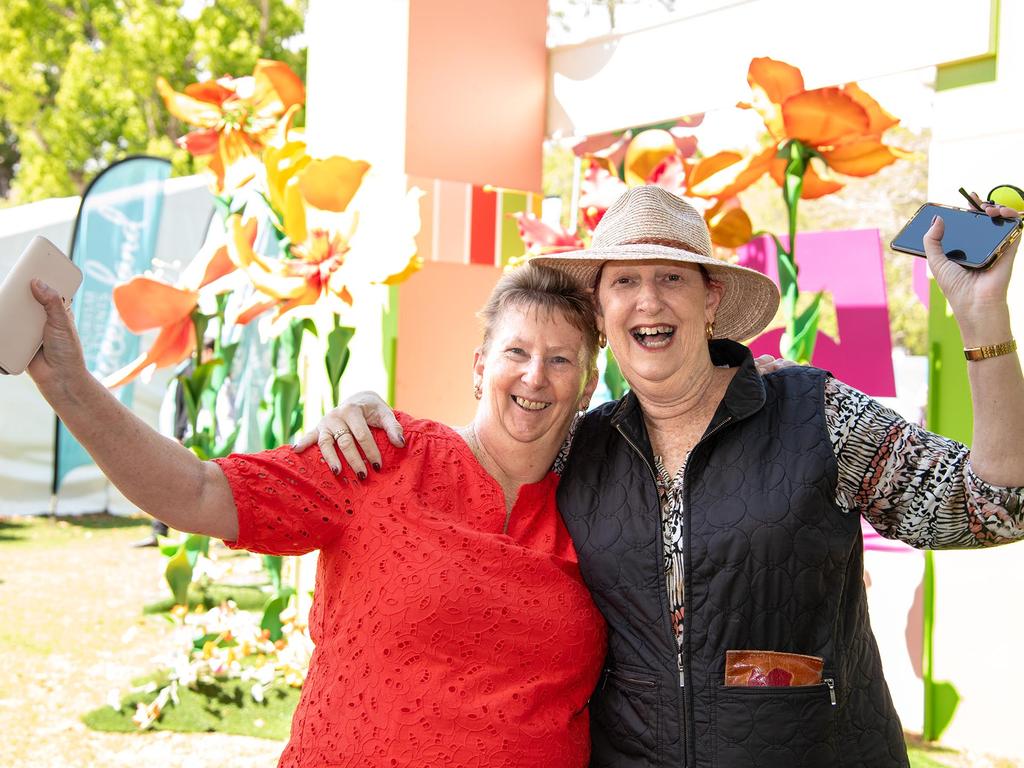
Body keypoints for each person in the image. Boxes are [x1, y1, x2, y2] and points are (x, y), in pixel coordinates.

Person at [303, 185, 1024, 768]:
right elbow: (478, 469)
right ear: (602, 310)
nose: (647, 299)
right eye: (624, 282)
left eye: (670, 278)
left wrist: (983, 319)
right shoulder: (578, 449)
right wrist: (373, 418)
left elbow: (994, 505)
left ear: (710, 301)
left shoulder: (816, 415)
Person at [25, 263, 612, 767]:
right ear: (480, 366)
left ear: (587, 387)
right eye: (517, 351)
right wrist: (67, 383)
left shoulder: (604, 511)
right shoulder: (378, 453)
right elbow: (196, 492)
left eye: (560, 360)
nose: (535, 375)